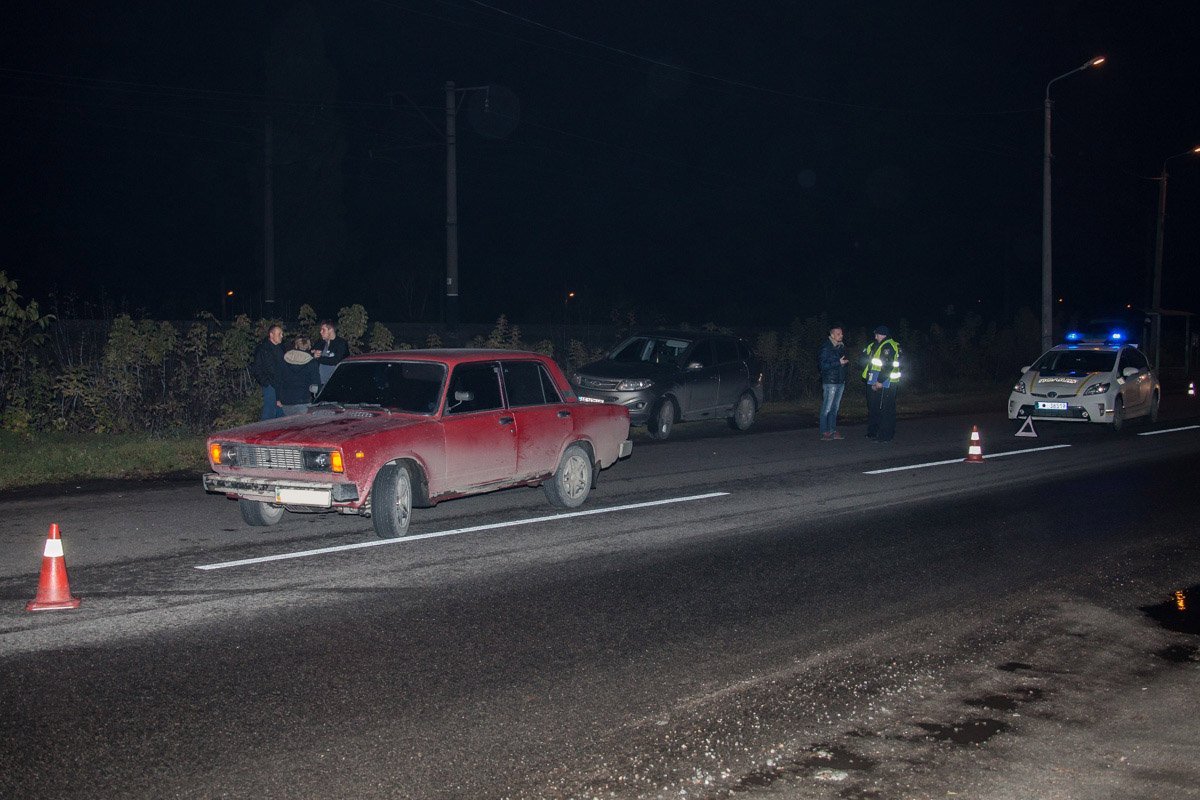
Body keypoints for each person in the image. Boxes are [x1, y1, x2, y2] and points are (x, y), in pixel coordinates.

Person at [861, 325, 901, 442]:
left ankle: (885, 436)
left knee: (886, 410)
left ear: (882, 335)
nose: (875, 336)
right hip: (874, 380)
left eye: (877, 334)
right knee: (875, 408)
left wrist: (880, 381)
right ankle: (874, 432)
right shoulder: (875, 345)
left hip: (886, 382)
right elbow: (864, 357)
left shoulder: (888, 346)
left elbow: (888, 366)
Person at [817, 325, 850, 440]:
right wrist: (838, 363)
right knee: (827, 407)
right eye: (838, 334)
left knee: (835, 408)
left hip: (840, 381)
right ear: (832, 335)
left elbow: (843, 363)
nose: (841, 335)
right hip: (830, 381)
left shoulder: (841, 346)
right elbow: (822, 365)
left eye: (841, 333)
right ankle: (824, 431)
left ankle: (832, 430)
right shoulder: (826, 347)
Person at [277, 336, 321, 416]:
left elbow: (279, 380)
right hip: (303, 401)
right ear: (309, 347)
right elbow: (316, 382)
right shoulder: (311, 363)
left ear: (296, 346)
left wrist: (278, 398)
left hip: (286, 401)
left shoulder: (284, 360)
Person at [250, 324, 285, 421]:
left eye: (282, 333)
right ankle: (263, 434)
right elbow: (256, 369)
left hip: (280, 385)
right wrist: (266, 383)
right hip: (270, 385)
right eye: (279, 334)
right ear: (271, 335)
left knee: (281, 413)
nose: (282, 336)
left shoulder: (281, 347)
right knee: (269, 413)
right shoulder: (262, 349)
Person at [311, 319, 349, 387]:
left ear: (331, 330)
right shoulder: (321, 342)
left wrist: (318, 358)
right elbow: (310, 352)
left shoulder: (341, 343)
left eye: (323, 329)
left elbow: (336, 360)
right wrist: (313, 354)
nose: (320, 332)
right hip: (320, 382)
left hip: (335, 382)